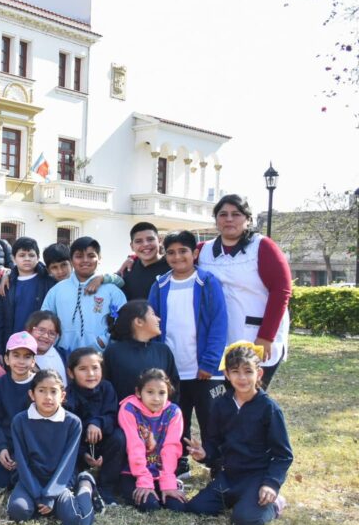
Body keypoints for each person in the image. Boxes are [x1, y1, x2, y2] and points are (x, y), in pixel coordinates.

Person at [183, 343, 293, 525]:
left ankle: (274, 504)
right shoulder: (220, 405)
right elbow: (214, 442)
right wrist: (204, 453)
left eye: (248, 371)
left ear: (259, 374)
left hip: (257, 477)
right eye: (235, 371)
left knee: (244, 521)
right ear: (227, 375)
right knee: (196, 508)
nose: (242, 378)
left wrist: (271, 484)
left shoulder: (269, 409)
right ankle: (241, 500)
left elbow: (283, 455)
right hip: (229, 476)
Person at [148, 230, 228, 476]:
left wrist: (210, 362)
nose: (177, 257)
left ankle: (217, 464)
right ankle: (178, 463)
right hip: (173, 371)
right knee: (175, 419)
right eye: (170, 252)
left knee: (211, 419)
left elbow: (218, 323)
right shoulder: (160, 284)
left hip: (204, 370)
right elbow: (152, 324)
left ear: (194, 253)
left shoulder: (207, 282)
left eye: (183, 251)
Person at [197, 194, 292, 387]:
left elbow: (281, 290)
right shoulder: (203, 250)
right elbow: (174, 260)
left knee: (252, 396)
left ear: (247, 219)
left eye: (236, 214)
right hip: (222, 335)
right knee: (227, 398)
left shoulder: (262, 246)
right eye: (223, 214)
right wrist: (133, 260)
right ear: (216, 220)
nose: (229, 219)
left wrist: (266, 336)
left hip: (258, 334)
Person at [6, 369, 100, 525]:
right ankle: (48, 505)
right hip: (31, 480)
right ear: (32, 394)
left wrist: (50, 495)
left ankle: (85, 483)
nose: (48, 397)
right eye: (42, 391)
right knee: (18, 511)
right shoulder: (20, 421)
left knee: (77, 522)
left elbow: (67, 463)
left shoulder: (72, 423)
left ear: (62, 396)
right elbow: (22, 462)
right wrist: (37, 495)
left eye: (53, 392)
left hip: (60, 480)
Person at [41, 236, 127, 354]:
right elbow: (45, 320)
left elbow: (121, 321)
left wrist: (102, 342)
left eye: (91, 256)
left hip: (101, 358)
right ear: (71, 260)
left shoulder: (112, 291)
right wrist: (57, 343)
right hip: (63, 356)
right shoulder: (56, 291)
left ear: (99, 258)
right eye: (79, 256)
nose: (85, 260)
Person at [117, 369, 186, 512]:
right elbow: (134, 445)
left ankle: (167, 485)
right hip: (134, 472)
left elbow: (171, 448)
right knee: (150, 506)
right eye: (150, 392)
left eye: (162, 393)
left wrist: (168, 483)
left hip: (161, 472)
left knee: (177, 506)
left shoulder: (174, 412)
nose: (156, 398)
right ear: (138, 392)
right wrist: (144, 481)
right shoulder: (129, 409)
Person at [65, 347, 125, 505]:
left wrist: (97, 423)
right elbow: (68, 430)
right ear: (71, 373)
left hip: (104, 442)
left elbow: (112, 416)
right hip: (79, 447)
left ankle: (106, 488)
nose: (91, 374)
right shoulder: (67, 395)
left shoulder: (107, 388)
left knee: (119, 437)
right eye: (83, 369)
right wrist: (83, 453)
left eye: (95, 368)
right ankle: (79, 485)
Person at [0, 331, 38, 489]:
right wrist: (0, 448)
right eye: (16, 355)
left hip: (32, 448)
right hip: (6, 445)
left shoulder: (40, 386)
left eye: (27, 356)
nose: (21, 361)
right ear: (7, 359)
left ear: (34, 361)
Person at [102, 301, 179, 406]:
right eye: (153, 314)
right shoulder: (113, 352)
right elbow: (106, 389)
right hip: (123, 418)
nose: (158, 319)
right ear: (138, 321)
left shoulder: (163, 351)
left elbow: (174, 387)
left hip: (160, 419)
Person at [0, 237, 55, 354]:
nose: (27, 259)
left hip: (41, 346)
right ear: (14, 258)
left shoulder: (48, 282)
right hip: (13, 346)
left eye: (31, 255)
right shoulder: (6, 284)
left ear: (38, 258)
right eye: (22, 255)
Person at [117, 222, 170, 301]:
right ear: (132, 246)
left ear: (159, 241)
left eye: (150, 239)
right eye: (139, 241)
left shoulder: (171, 266)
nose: (145, 244)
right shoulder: (128, 269)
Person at [26, 311, 67, 386]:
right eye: (41, 330)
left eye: (52, 333)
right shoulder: (20, 358)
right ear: (29, 330)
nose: (45, 336)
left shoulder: (65, 356)